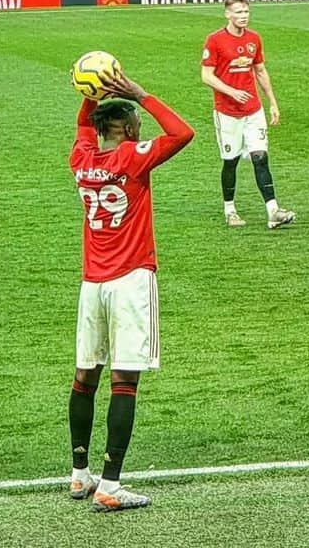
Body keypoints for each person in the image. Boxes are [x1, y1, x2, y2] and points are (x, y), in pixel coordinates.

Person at [68, 69, 195, 512]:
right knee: (125, 380)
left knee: (86, 376)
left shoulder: (81, 160)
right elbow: (183, 132)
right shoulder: (134, 159)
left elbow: (85, 129)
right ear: (129, 128)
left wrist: (90, 94)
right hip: (130, 281)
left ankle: (79, 475)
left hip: (92, 285)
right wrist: (142, 94)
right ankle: (111, 484)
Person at [201, 0, 296, 230]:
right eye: (239, 12)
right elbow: (206, 75)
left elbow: (261, 71)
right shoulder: (215, 40)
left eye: (246, 12)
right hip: (227, 112)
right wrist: (231, 92)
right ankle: (230, 209)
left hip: (253, 110)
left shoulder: (254, 38)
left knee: (260, 157)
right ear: (228, 14)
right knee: (230, 161)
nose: (243, 17)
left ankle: (273, 211)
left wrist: (272, 102)